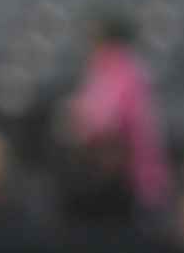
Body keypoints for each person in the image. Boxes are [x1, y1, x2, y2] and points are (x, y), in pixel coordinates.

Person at [59, 17, 169, 224]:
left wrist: (75, 122)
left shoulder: (120, 70)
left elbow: (102, 125)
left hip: (129, 187)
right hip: (125, 184)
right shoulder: (118, 70)